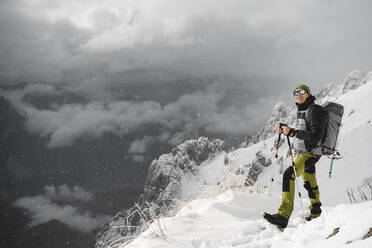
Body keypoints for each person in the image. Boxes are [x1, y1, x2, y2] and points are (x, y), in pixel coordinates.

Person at [264, 84, 326, 229]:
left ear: (308, 94)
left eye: (302, 92)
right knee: (309, 180)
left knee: (288, 175)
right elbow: (304, 130)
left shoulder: (314, 110)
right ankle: (316, 211)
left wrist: (293, 133)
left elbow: (316, 136)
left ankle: (283, 215)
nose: (299, 95)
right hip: (306, 151)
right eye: (296, 93)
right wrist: (288, 130)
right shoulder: (304, 110)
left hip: (310, 152)